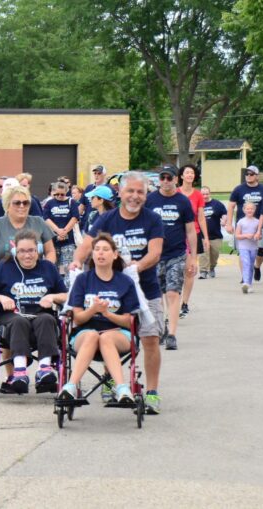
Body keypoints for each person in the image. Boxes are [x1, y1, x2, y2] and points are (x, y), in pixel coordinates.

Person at [70, 171, 165, 414]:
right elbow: (86, 245)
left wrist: (137, 267)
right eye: (130, 191)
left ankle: (152, 392)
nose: (135, 196)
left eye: (140, 192)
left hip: (145, 289)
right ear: (120, 193)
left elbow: (154, 253)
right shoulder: (107, 219)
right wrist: (76, 263)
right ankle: (112, 378)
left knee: (150, 338)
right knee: (106, 329)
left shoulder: (152, 219)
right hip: (112, 289)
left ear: (146, 195)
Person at [0, 230, 68, 394]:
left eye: (31, 251)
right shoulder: (4, 268)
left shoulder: (48, 267)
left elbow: (66, 295)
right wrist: (1, 298)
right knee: (19, 321)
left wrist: (52, 296)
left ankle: (44, 370)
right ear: (15, 251)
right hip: (11, 316)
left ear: (38, 250)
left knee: (47, 319)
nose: (27, 255)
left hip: (41, 315)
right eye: (22, 251)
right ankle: (19, 373)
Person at [59, 233, 140, 403]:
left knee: (105, 338)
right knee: (93, 335)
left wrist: (107, 314)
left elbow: (129, 320)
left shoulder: (125, 282)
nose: (100, 253)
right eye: (96, 250)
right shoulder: (82, 280)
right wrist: (93, 310)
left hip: (118, 333)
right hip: (85, 332)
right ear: (92, 254)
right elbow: (78, 318)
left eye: (105, 250)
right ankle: (71, 387)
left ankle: (122, 389)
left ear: (115, 254)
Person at [145, 165, 196, 351]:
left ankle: (172, 334)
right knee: (156, 296)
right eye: (162, 178)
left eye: (169, 177)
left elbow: (190, 230)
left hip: (177, 254)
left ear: (176, 179)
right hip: (155, 256)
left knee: (173, 293)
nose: (165, 181)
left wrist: (192, 258)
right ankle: (160, 329)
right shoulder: (150, 200)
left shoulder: (182, 201)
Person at [0, 185, 57, 271]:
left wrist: (46, 268)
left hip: (35, 277)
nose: (22, 206)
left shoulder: (39, 222)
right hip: (5, 278)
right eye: (17, 203)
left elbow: (50, 251)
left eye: (25, 203)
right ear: (7, 205)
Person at [226, 165, 263, 282]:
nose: (248, 176)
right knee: (243, 251)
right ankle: (245, 276)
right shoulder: (239, 189)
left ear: (257, 176)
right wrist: (229, 223)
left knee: (261, 251)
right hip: (243, 225)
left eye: (251, 174)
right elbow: (231, 206)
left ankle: (257, 266)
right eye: (247, 174)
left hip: (260, 224)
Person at [177, 164, 209, 318]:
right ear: (181, 176)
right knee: (176, 270)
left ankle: (185, 303)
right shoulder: (175, 193)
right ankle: (174, 301)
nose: (190, 175)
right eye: (187, 172)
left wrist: (206, 237)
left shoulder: (198, 195)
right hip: (176, 235)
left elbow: (201, 217)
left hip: (193, 234)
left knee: (190, 270)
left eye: (192, 173)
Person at [43, 181, 80, 283]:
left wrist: (64, 231)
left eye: (62, 194)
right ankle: (54, 287)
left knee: (68, 267)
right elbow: (46, 218)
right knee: (53, 267)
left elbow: (75, 217)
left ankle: (68, 290)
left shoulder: (71, 202)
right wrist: (58, 231)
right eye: (57, 194)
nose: (59, 196)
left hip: (68, 240)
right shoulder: (49, 203)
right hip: (53, 240)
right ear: (53, 193)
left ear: (66, 192)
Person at [199, 186, 227, 279]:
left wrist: (224, 220)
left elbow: (224, 213)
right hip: (202, 235)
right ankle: (203, 271)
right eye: (203, 194)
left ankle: (212, 267)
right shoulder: (198, 205)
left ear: (210, 193)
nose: (205, 196)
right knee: (204, 254)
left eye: (207, 194)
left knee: (214, 255)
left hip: (215, 235)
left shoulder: (217, 204)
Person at [235, 202, 260, 293]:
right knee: (246, 263)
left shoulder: (257, 222)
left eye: (251, 209)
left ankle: (249, 284)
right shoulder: (241, 221)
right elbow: (237, 235)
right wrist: (245, 236)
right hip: (243, 246)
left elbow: (259, 235)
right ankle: (245, 283)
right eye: (248, 209)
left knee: (250, 265)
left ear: (254, 210)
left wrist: (256, 236)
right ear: (244, 210)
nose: (249, 210)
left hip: (253, 247)